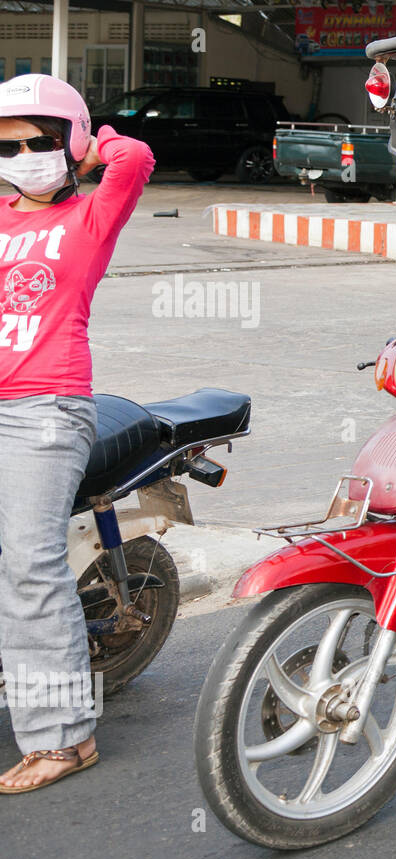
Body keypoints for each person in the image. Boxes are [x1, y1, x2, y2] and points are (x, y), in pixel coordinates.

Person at [0, 75, 154, 793]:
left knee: (29, 565)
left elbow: (137, 161)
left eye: (40, 141)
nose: (25, 155)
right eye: (10, 145)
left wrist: (99, 146)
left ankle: (63, 738)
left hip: (46, 409)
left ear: (70, 143)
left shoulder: (89, 218)